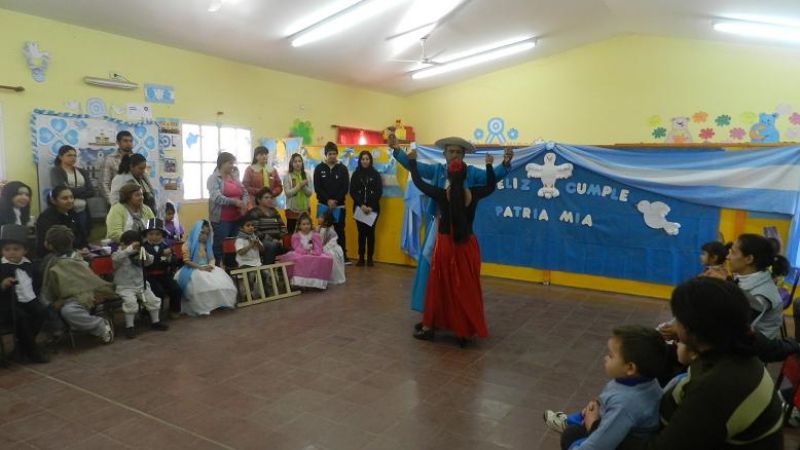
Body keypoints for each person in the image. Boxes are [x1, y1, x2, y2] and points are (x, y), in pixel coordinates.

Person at [616, 277, 784, 450]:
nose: (674, 324)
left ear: (689, 328)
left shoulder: (717, 385)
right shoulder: (733, 352)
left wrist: (601, 429)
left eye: (677, 318)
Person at [388, 134, 512, 313]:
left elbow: (490, 179)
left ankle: (456, 313)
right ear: (444, 154)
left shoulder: (471, 173)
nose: (454, 155)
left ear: (463, 156)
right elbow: (415, 168)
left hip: (460, 232)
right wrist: (397, 150)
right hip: (437, 228)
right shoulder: (437, 170)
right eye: (451, 151)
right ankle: (429, 310)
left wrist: (505, 165)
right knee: (428, 264)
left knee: (458, 272)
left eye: (458, 152)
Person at [406, 149, 498, 345]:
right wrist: (489, 165)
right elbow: (491, 186)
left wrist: (413, 163)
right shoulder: (473, 194)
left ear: (447, 176)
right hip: (467, 246)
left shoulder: (441, 194)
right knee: (465, 287)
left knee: (439, 285)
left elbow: (419, 183)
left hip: (446, 247)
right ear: (465, 176)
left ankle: (429, 327)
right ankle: (463, 332)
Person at [543, 326, 666, 450]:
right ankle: (567, 422)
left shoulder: (624, 406)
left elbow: (600, 445)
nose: (605, 358)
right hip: (607, 418)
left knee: (570, 434)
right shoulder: (646, 381)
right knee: (588, 411)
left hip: (613, 434)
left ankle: (570, 427)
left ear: (630, 368)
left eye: (611, 356)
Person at [40, 226, 115, 345]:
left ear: (49, 245)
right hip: (61, 297)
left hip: (82, 297)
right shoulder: (50, 261)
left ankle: (100, 325)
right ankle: (59, 329)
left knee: (69, 312)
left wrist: (93, 292)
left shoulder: (77, 258)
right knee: (44, 307)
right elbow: (49, 284)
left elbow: (88, 280)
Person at [0, 224, 49, 363]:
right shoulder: (1, 267)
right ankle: (33, 352)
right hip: (8, 304)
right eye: (7, 249)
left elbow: (37, 283)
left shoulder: (30, 265)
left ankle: (21, 348)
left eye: (16, 249)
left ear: (25, 250)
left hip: (30, 300)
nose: (11, 253)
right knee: (21, 317)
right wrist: (2, 285)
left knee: (41, 312)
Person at [112, 230, 168, 339]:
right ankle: (130, 327)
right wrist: (128, 250)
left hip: (141, 284)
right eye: (128, 244)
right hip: (125, 286)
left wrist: (144, 253)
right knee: (130, 303)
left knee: (153, 300)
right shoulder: (118, 254)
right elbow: (115, 260)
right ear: (122, 244)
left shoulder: (139, 252)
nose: (132, 247)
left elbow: (149, 261)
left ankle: (155, 322)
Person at [174, 220, 238, 316]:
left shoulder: (206, 245)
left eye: (207, 234)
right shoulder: (187, 245)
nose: (204, 236)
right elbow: (186, 261)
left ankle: (216, 303)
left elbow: (211, 258)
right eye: (202, 233)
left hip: (207, 267)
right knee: (202, 284)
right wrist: (200, 268)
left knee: (219, 282)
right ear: (195, 232)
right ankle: (203, 307)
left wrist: (211, 265)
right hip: (193, 268)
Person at [208, 152, 248, 263]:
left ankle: (231, 269)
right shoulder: (213, 178)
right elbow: (216, 197)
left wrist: (243, 203)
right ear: (222, 163)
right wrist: (234, 202)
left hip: (236, 218)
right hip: (221, 220)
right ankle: (217, 269)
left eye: (233, 163)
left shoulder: (234, 177)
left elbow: (244, 192)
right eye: (230, 163)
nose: (232, 166)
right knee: (220, 246)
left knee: (233, 246)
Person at [313, 142, 350, 262]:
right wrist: (327, 200)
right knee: (322, 231)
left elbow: (345, 187)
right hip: (323, 205)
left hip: (339, 206)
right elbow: (317, 187)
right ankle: (320, 254)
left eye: (334, 154)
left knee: (340, 231)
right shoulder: (319, 168)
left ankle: (342, 256)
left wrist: (335, 201)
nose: (332, 156)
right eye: (330, 154)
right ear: (325, 155)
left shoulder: (343, 169)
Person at [278, 213, 333, 290]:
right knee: (301, 259)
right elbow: (297, 247)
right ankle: (300, 283)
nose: (306, 226)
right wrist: (306, 252)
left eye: (308, 224)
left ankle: (317, 283)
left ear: (311, 225)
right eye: (303, 224)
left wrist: (314, 252)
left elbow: (318, 247)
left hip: (313, 253)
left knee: (325, 259)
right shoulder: (296, 236)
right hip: (300, 253)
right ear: (299, 225)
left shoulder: (315, 235)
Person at [142, 219, 182, 319]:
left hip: (164, 274)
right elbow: (144, 262)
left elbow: (174, 260)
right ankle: (154, 314)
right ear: (146, 235)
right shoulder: (143, 247)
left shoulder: (166, 245)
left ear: (162, 235)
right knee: (159, 292)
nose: (154, 237)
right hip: (149, 276)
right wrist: (161, 254)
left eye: (157, 234)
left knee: (176, 289)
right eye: (151, 234)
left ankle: (174, 310)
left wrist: (170, 258)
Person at [50, 145, 94, 232]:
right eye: (69, 155)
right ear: (60, 157)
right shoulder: (56, 171)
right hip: (65, 210)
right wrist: (82, 189)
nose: (73, 158)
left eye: (75, 155)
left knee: (83, 236)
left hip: (82, 210)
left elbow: (91, 191)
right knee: (67, 235)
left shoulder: (82, 171)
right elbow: (61, 191)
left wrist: (71, 189)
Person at [349, 150, 383, 266]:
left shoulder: (375, 174)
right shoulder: (356, 174)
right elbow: (352, 191)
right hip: (359, 209)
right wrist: (361, 205)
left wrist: (370, 206)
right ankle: (361, 258)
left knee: (371, 233)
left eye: (367, 159)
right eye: (363, 159)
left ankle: (370, 258)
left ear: (370, 160)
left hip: (373, 209)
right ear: (360, 160)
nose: (365, 161)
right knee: (361, 233)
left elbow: (379, 192)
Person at [35, 186, 88, 257]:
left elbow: (81, 235)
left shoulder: (73, 213)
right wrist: (73, 253)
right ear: (53, 200)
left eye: (71, 197)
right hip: (55, 257)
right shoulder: (46, 218)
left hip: (76, 254)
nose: (70, 201)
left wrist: (84, 247)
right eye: (65, 198)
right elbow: (50, 245)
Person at [245, 188, 287, 264]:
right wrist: (271, 239)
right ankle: (266, 271)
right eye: (266, 198)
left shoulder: (274, 211)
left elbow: (283, 227)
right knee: (271, 246)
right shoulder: (254, 212)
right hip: (260, 241)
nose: (269, 200)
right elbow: (254, 231)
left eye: (271, 198)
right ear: (259, 200)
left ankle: (284, 271)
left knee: (291, 244)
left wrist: (281, 238)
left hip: (277, 241)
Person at [100, 130, 134, 203]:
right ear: (118, 142)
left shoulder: (136, 158)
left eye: (130, 141)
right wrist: (113, 202)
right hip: (117, 199)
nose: (129, 143)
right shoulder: (110, 159)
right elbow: (104, 184)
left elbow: (143, 178)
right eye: (125, 141)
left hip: (135, 200)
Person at [283, 153, 313, 235]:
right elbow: (288, 193)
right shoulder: (287, 176)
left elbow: (310, 193)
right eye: (295, 161)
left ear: (302, 163)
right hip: (292, 211)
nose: (297, 163)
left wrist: (303, 187)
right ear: (291, 164)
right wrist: (299, 185)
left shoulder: (307, 175)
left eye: (299, 161)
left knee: (305, 236)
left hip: (305, 211)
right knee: (292, 235)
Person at [318, 211, 346, 285]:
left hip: (331, 248)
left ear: (326, 221)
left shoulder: (331, 231)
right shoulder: (318, 228)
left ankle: (333, 278)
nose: (319, 218)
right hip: (322, 248)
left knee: (331, 256)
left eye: (321, 217)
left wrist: (323, 249)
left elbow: (332, 243)